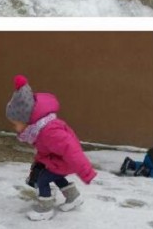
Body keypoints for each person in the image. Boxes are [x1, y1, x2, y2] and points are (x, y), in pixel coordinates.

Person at [6, 75, 96, 221]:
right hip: (59, 161)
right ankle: (73, 198)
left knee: (43, 179)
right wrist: (39, 161)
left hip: (65, 161)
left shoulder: (49, 132)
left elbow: (71, 149)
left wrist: (86, 171)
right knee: (55, 176)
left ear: (26, 121)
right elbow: (45, 150)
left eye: (16, 123)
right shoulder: (38, 130)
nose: (14, 127)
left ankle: (45, 209)